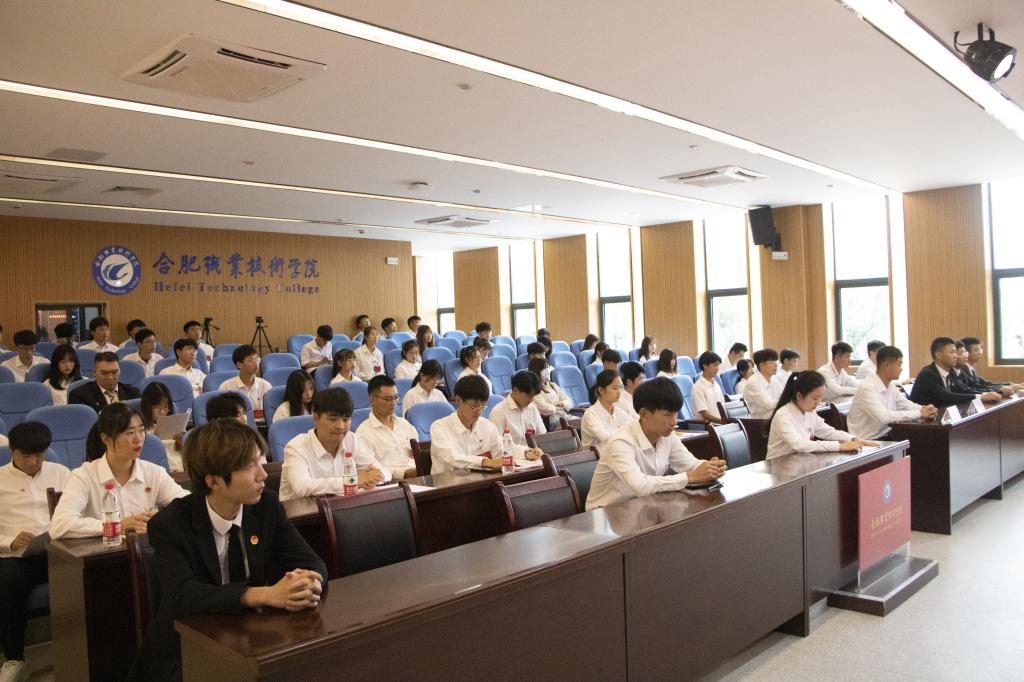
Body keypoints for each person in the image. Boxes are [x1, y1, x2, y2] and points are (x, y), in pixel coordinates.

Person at [129, 420, 326, 682]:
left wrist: (308, 582)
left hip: (250, 637)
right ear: (213, 480)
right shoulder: (170, 524)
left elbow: (312, 561)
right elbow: (184, 595)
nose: (263, 474)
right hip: (185, 651)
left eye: (260, 461)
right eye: (250, 465)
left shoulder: (266, 506)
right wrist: (264, 595)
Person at [585, 378, 727, 510]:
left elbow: (690, 464)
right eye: (668, 415)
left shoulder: (667, 436)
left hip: (642, 506)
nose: (674, 422)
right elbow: (640, 486)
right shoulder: (620, 442)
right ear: (644, 414)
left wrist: (710, 467)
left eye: (675, 414)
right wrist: (689, 477)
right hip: (605, 514)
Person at [50, 403, 188, 538]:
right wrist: (115, 527)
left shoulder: (153, 472)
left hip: (146, 548)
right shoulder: (84, 476)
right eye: (130, 433)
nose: (138, 439)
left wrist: (162, 517)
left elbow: (188, 504)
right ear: (106, 438)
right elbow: (59, 525)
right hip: (105, 550)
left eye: (141, 430)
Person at [0, 423, 71, 682]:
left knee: (94, 568)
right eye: (26, 456)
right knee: (9, 581)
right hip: (18, 556)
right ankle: (14, 658)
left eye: (39, 455)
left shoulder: (61, 473)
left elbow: (80, 509)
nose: (33, 462)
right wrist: (10, 542)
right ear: (12, 451)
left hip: (59, 547)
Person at [279, 388, 389, 501]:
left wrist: (373, 478)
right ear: (316, 419)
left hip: (342, 507)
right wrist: (352, 482)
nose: (340, 426)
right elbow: (301, 487)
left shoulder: (351, 439)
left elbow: (384, 473)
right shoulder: (296, 447)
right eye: (333, 420)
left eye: (345, 420)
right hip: (304, 510)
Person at [765, 371, 876, 460]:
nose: (818, 403)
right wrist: (840, 446)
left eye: (821, 397)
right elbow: (799, 444)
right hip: (779, 465)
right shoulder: (783, 415)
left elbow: (828, 431)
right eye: (815, 398)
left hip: (800, 461)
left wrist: (853, 439)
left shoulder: (809, 412)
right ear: (799, 396)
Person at [848, 346, 937, 440]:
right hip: (868, 440)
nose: (901, 369)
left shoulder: (890, 384)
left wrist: (926, 409)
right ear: (887, 365)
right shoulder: (867, 388)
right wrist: (920, 413)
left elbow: (905, 404)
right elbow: (884, 417)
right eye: (899, 365)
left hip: (887, 434)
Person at [430, 375, 510, 473]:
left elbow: (502, 453)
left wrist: (523, 453)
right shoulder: (439, 427)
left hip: (482, 480)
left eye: (483, 405)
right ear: (458, 400)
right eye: (474, 406)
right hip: (448, 481)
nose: (479, 411)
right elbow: (452, 458)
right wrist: (484, 462)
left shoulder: (487, 426)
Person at [355, 376, 418, 480]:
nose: (393, 403)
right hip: (392, 482)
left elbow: (417, 452)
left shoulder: (404, 424)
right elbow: (370, 470)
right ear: (372, 399)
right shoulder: (363, 433)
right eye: (388, 399)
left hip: (418, 473)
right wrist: (404, 474)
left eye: (395, 397)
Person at [910, 336, 1001, 408]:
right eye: (952, 352)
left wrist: (986, 394)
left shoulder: (949, 372)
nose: (956, 356)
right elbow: (946, 397)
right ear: (938, 355)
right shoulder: (928, 374)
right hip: (922, 422)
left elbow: (963, 390)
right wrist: (979, 397)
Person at [487, 371, 547, 451]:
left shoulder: (532, 408)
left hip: (534, 455)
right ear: (515, 390)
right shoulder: (498, 412)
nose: (531, 400)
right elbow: (497, 447)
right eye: (528, 396)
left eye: (533, 396)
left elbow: (542, 437)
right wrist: (525, 453)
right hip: (512, 456)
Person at [68, 351, 140, 412]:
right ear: (94, 372)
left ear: (120, 371)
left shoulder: (133, 393)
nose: (110, 377)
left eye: (115, 372)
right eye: (104, 373)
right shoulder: (79, 395)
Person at [581, 370, 632, 451]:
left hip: (617, 453)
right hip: (596, 457)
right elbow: (606, 438)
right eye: (615, 388)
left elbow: (634, 426)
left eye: (620, 387)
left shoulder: (619, 412)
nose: (619, 392)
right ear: (601, 390)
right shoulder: (590, 414)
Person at [140, 382, 184, 473]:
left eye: (166, 407)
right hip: (157, 472)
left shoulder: (175, 424)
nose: (163, 412)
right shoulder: (141, 429)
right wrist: (153, 441)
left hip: (179, 469)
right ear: (147, 407)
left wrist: (181, 444)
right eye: (158, 408)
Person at [218, 345, 272, 419]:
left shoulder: (265, 385)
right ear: (239, 365)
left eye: (257, 359)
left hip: (263, 425)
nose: (256, 364)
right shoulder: (226, 388)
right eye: (251, 360)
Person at [528, 358, 573, 423]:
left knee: (582, 422)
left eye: (547, 367)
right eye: (544, 368)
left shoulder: (553, 385)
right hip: (551, 421)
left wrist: (561, 403)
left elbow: (569, 401)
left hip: (565, 416)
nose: (547, 370)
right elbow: (544, 408)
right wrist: (561, 408)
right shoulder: (534, 389)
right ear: (536, 370)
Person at [742, 348, 779, 419]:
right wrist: (783, 400)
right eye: (772, 362)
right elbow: (768, 404)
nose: (776, 364)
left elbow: (783, 396)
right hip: (759, 422)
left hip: (773, 419)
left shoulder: (774, 379)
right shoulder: (753, 382)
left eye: (776, 361)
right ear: (762, 365)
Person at [692, 351, 726, 423]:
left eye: (718, 365)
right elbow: (705, 415)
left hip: (719, 424)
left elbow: (723, 406)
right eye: (715, 365)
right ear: (705, 366)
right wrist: (724, 422)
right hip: (707, 426)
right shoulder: (698, 387)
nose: (717, 368)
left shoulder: (716, 384)